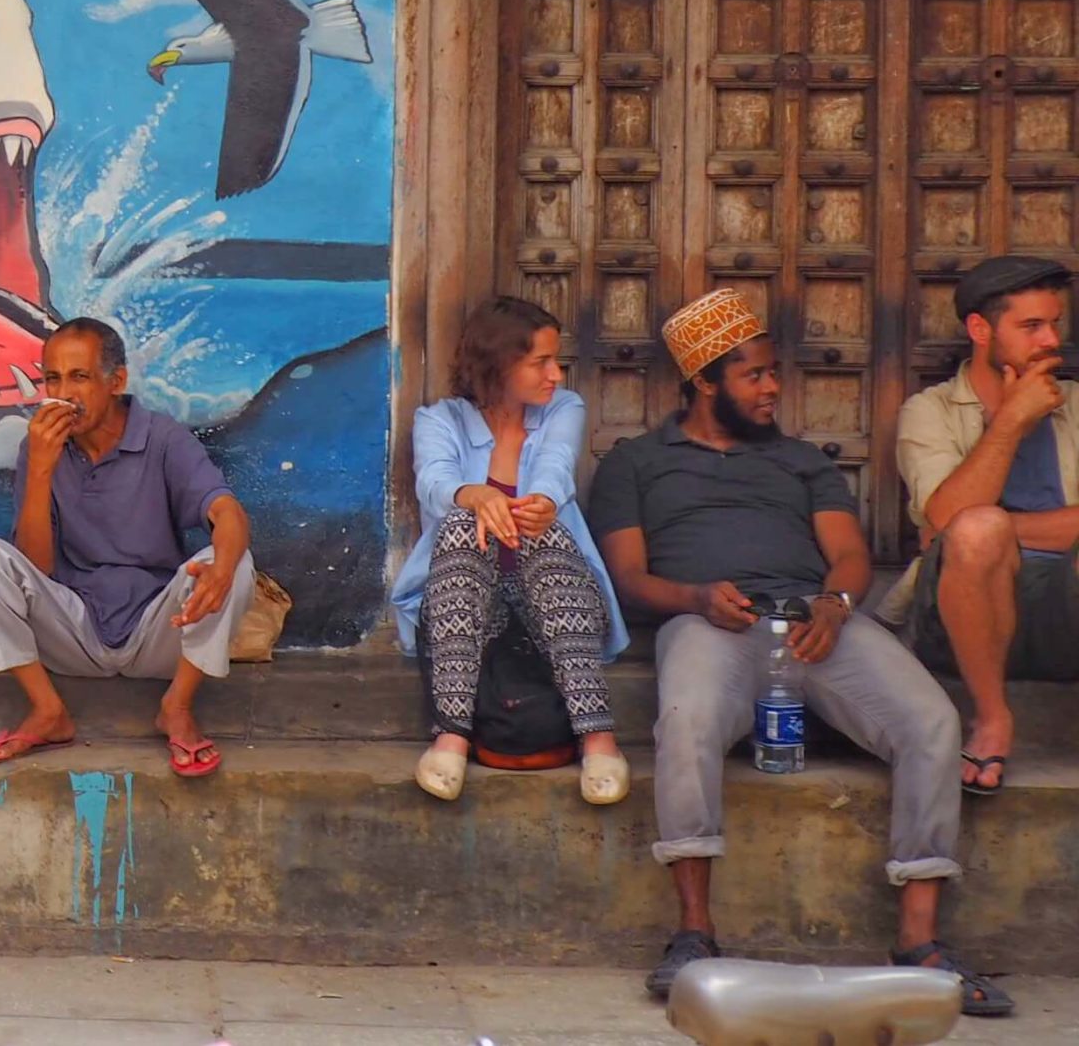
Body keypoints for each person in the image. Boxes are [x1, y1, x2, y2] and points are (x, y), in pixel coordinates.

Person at [586, 289, 1011, 1018]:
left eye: (773, 372)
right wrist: (694, 598)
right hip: (709, 624)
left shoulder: (801, 460)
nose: (773, 387)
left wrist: (836, 604)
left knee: (933, 721)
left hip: (818, 627)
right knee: (684, 720)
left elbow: (847, 554)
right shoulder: (635, 463)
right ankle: (694, 933)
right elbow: (626, 575)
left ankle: (919, 943)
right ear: (703, 383)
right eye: (754, 375)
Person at [0, 317, 256, 779]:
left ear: (116, 382)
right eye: (52, 378)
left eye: (79, 377)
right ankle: (48, 711)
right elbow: (37, 568)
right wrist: (40, 472)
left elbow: (227, 513)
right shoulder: (40, 448)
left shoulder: (162, 438)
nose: (64, 393)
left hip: (160, 632)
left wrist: (224, 568)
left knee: (232, 560)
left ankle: (176, 706)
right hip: (73, 631)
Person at [390, 296, 629, 804]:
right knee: (462, 522)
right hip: (467, 608)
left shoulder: (564, 409)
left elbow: (557, 464)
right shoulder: (441, 420)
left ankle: (599, 738)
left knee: (535, 528)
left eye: (554, 359)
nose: (556, 374)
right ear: (499, 364)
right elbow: (434, 481)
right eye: (540, 362)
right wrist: (471, 494)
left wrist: (541, 502)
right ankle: (451, 736)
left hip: (559, 598)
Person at [890, 255, 1079, 795]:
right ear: (980, 329)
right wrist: (1013, 421)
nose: (1050, 341)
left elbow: (945, 524)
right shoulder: (930, 412)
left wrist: (993, 524)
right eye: (1030, 326)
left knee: (982, 525)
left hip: (1062, 612)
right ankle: (992, 718)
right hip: (956, 620)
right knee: (976, 533)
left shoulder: (1077, 407)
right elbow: (954, 525)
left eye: (1054, 323)